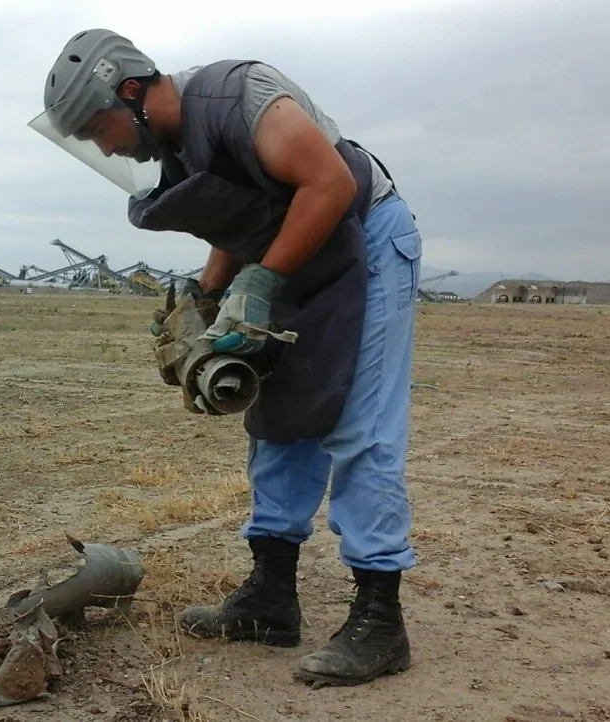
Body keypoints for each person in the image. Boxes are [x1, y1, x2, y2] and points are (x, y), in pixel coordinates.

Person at [29, 29, 422, 687]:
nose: (105, 146)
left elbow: (325, 183)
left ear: (131, 93)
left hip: (367, 237)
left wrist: (260, 284)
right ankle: (270, 600)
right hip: (297, 248)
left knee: (360, 425)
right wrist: (209, 297)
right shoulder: (180, 147)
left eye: (101, 129)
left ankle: (381, 622)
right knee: (277, 414)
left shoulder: (237, 97)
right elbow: (241, 222)